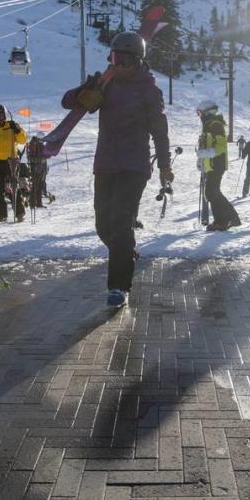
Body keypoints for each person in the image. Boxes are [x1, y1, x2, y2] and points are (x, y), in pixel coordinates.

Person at [62, 31, 171, 309]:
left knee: (121, 223)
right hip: (106, 164)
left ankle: (118, 287)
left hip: (134, 166)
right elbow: (67, 103)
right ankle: (127, 254)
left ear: (137, 60)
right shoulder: (106, 84)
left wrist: (165, 166)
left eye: (125, 60)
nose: (119, 65)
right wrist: (85, 89)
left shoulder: (149, 90)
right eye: (115, 58)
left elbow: (160, 131)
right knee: (103, 224)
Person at [197, 99, 240, 231]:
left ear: (207, 112)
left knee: (211, 192)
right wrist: (201, 161)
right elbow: (205, 145)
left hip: (217, 163)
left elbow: (221, 147)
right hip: (211, 164)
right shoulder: (209, 125)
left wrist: (205, 154)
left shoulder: (215, 125)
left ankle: (224, 220)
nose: (200, 117)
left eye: (200, 113)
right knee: (213, 192)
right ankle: (229, 218)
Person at [26, 131, 51, 208]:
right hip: (36, 169)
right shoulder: (33, 144)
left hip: (42, 168)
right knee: (35, 186)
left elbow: (46, 156)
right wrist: (41, 160)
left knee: (40, 186)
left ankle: (39, 204)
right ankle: (32, 204)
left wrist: (47, 156)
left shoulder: (41, 144)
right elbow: (30, 158)